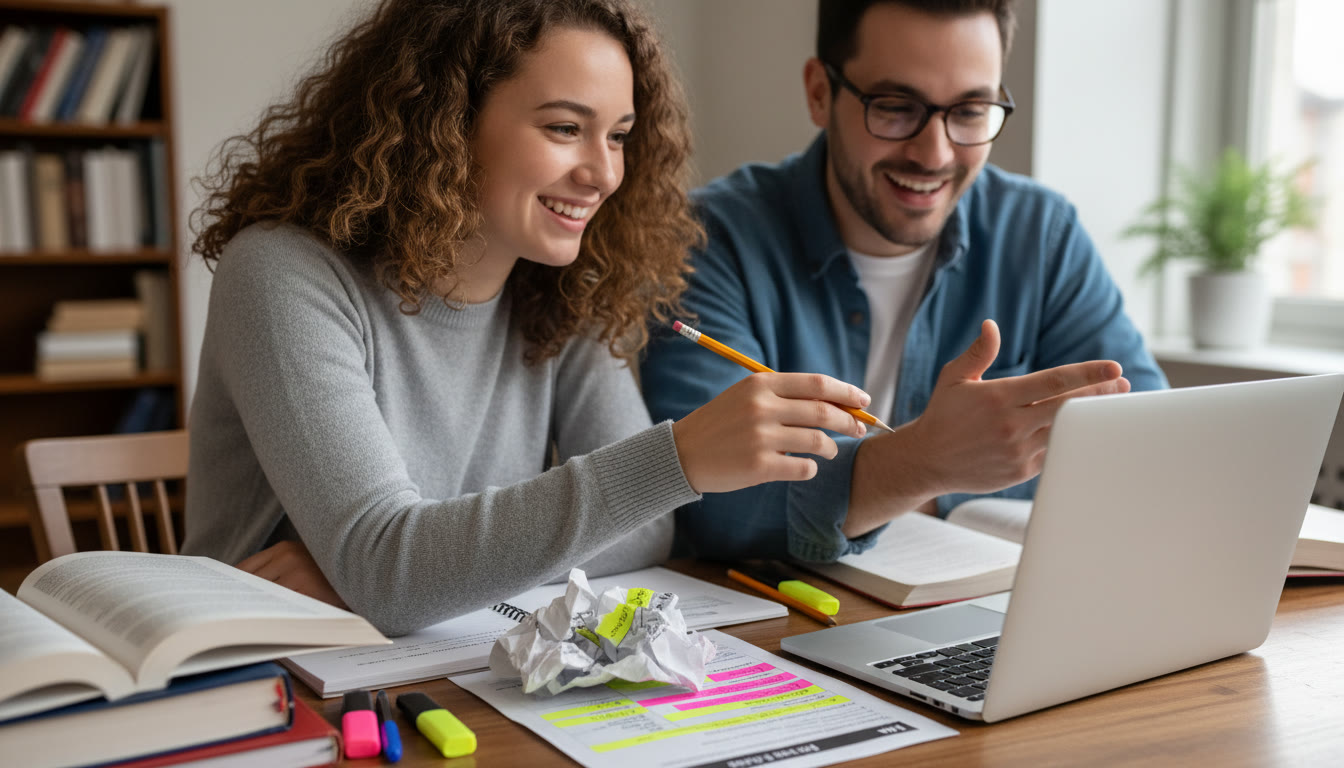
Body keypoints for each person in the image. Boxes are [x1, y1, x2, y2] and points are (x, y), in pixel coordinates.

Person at [181, 0, 872, 636]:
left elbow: (648, 529)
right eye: (566, 128)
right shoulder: (283, 274)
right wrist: (678, 458)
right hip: (268, 676)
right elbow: (388, 568)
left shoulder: (557, 288)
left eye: (619, 136)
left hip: (442, 665)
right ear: (444, 119)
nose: (602, 174)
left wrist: (407, 576)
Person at [639, 0, 1168, 564]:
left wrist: (924, 481)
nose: (934, 154)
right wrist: (924, 463)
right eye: (894, 107)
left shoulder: (1040, 234)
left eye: (969, 111)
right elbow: (708, 502)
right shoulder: (705, 241)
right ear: (820, 93)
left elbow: (1144, 442)